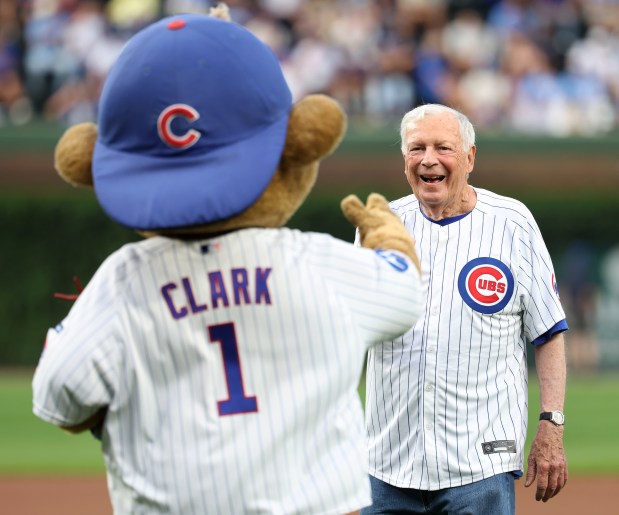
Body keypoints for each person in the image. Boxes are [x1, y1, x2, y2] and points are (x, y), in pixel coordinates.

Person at [31, 7, 424, 515]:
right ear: (301, 139)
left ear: (92, 160)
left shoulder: (124, 281)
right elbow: (403, 292)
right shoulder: (317, 264)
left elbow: (61, 394)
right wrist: (388, 238)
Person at [359, 103, 569, 515]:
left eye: (444, 148)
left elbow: (548, 331)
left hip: (479, 464)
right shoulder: (379, 225)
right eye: (417, 148)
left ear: (470, 158)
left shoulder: (513, 223)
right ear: (404, 160)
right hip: (386, 464)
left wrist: (552, 424)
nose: (429, 159)